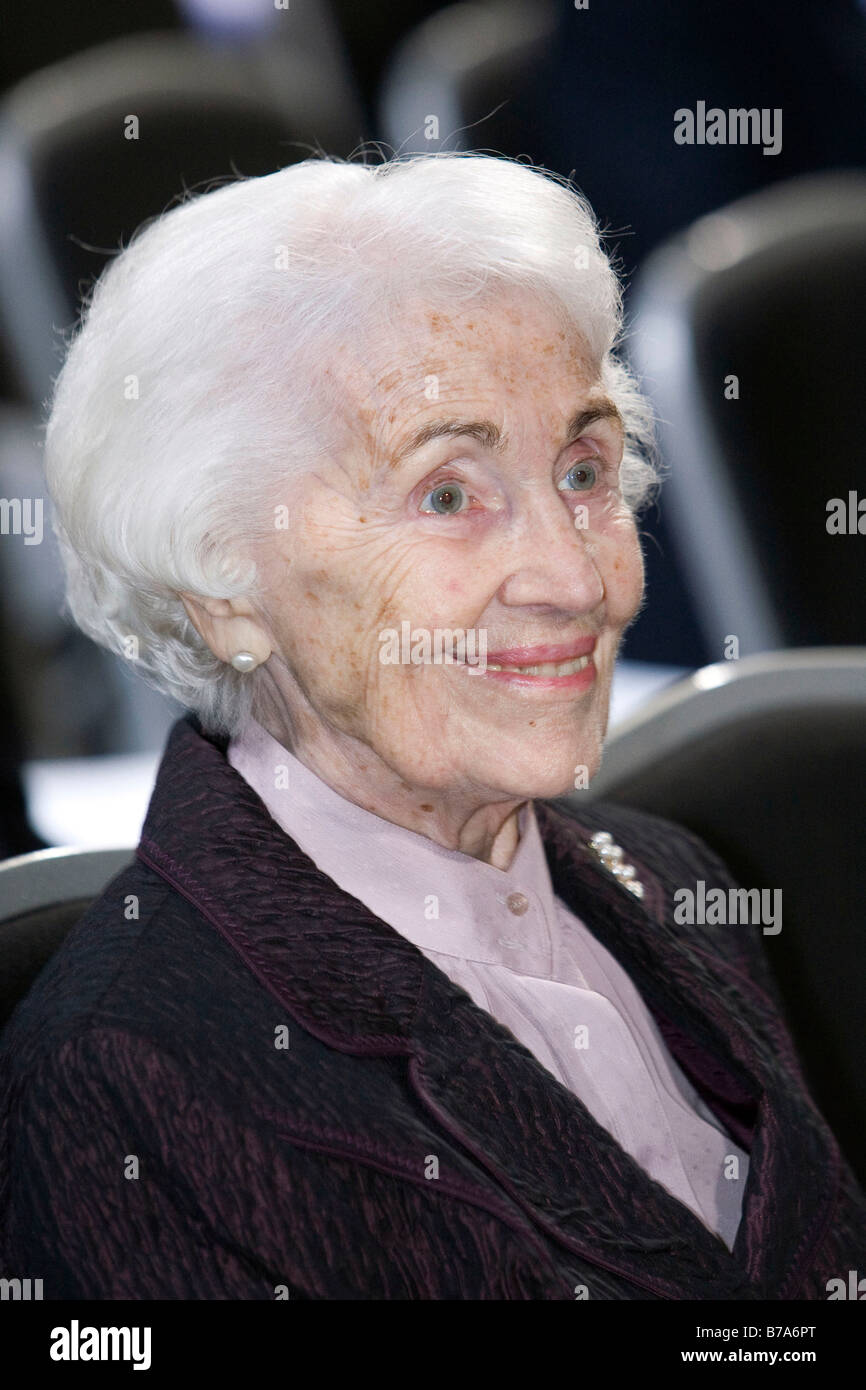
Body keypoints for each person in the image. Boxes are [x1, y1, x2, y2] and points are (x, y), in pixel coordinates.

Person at [0, 153, 862, 1299]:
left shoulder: (671, 879)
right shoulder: (128, 1083)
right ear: (222, 581)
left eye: (582, 469)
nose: (572, 575)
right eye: (447, 494)